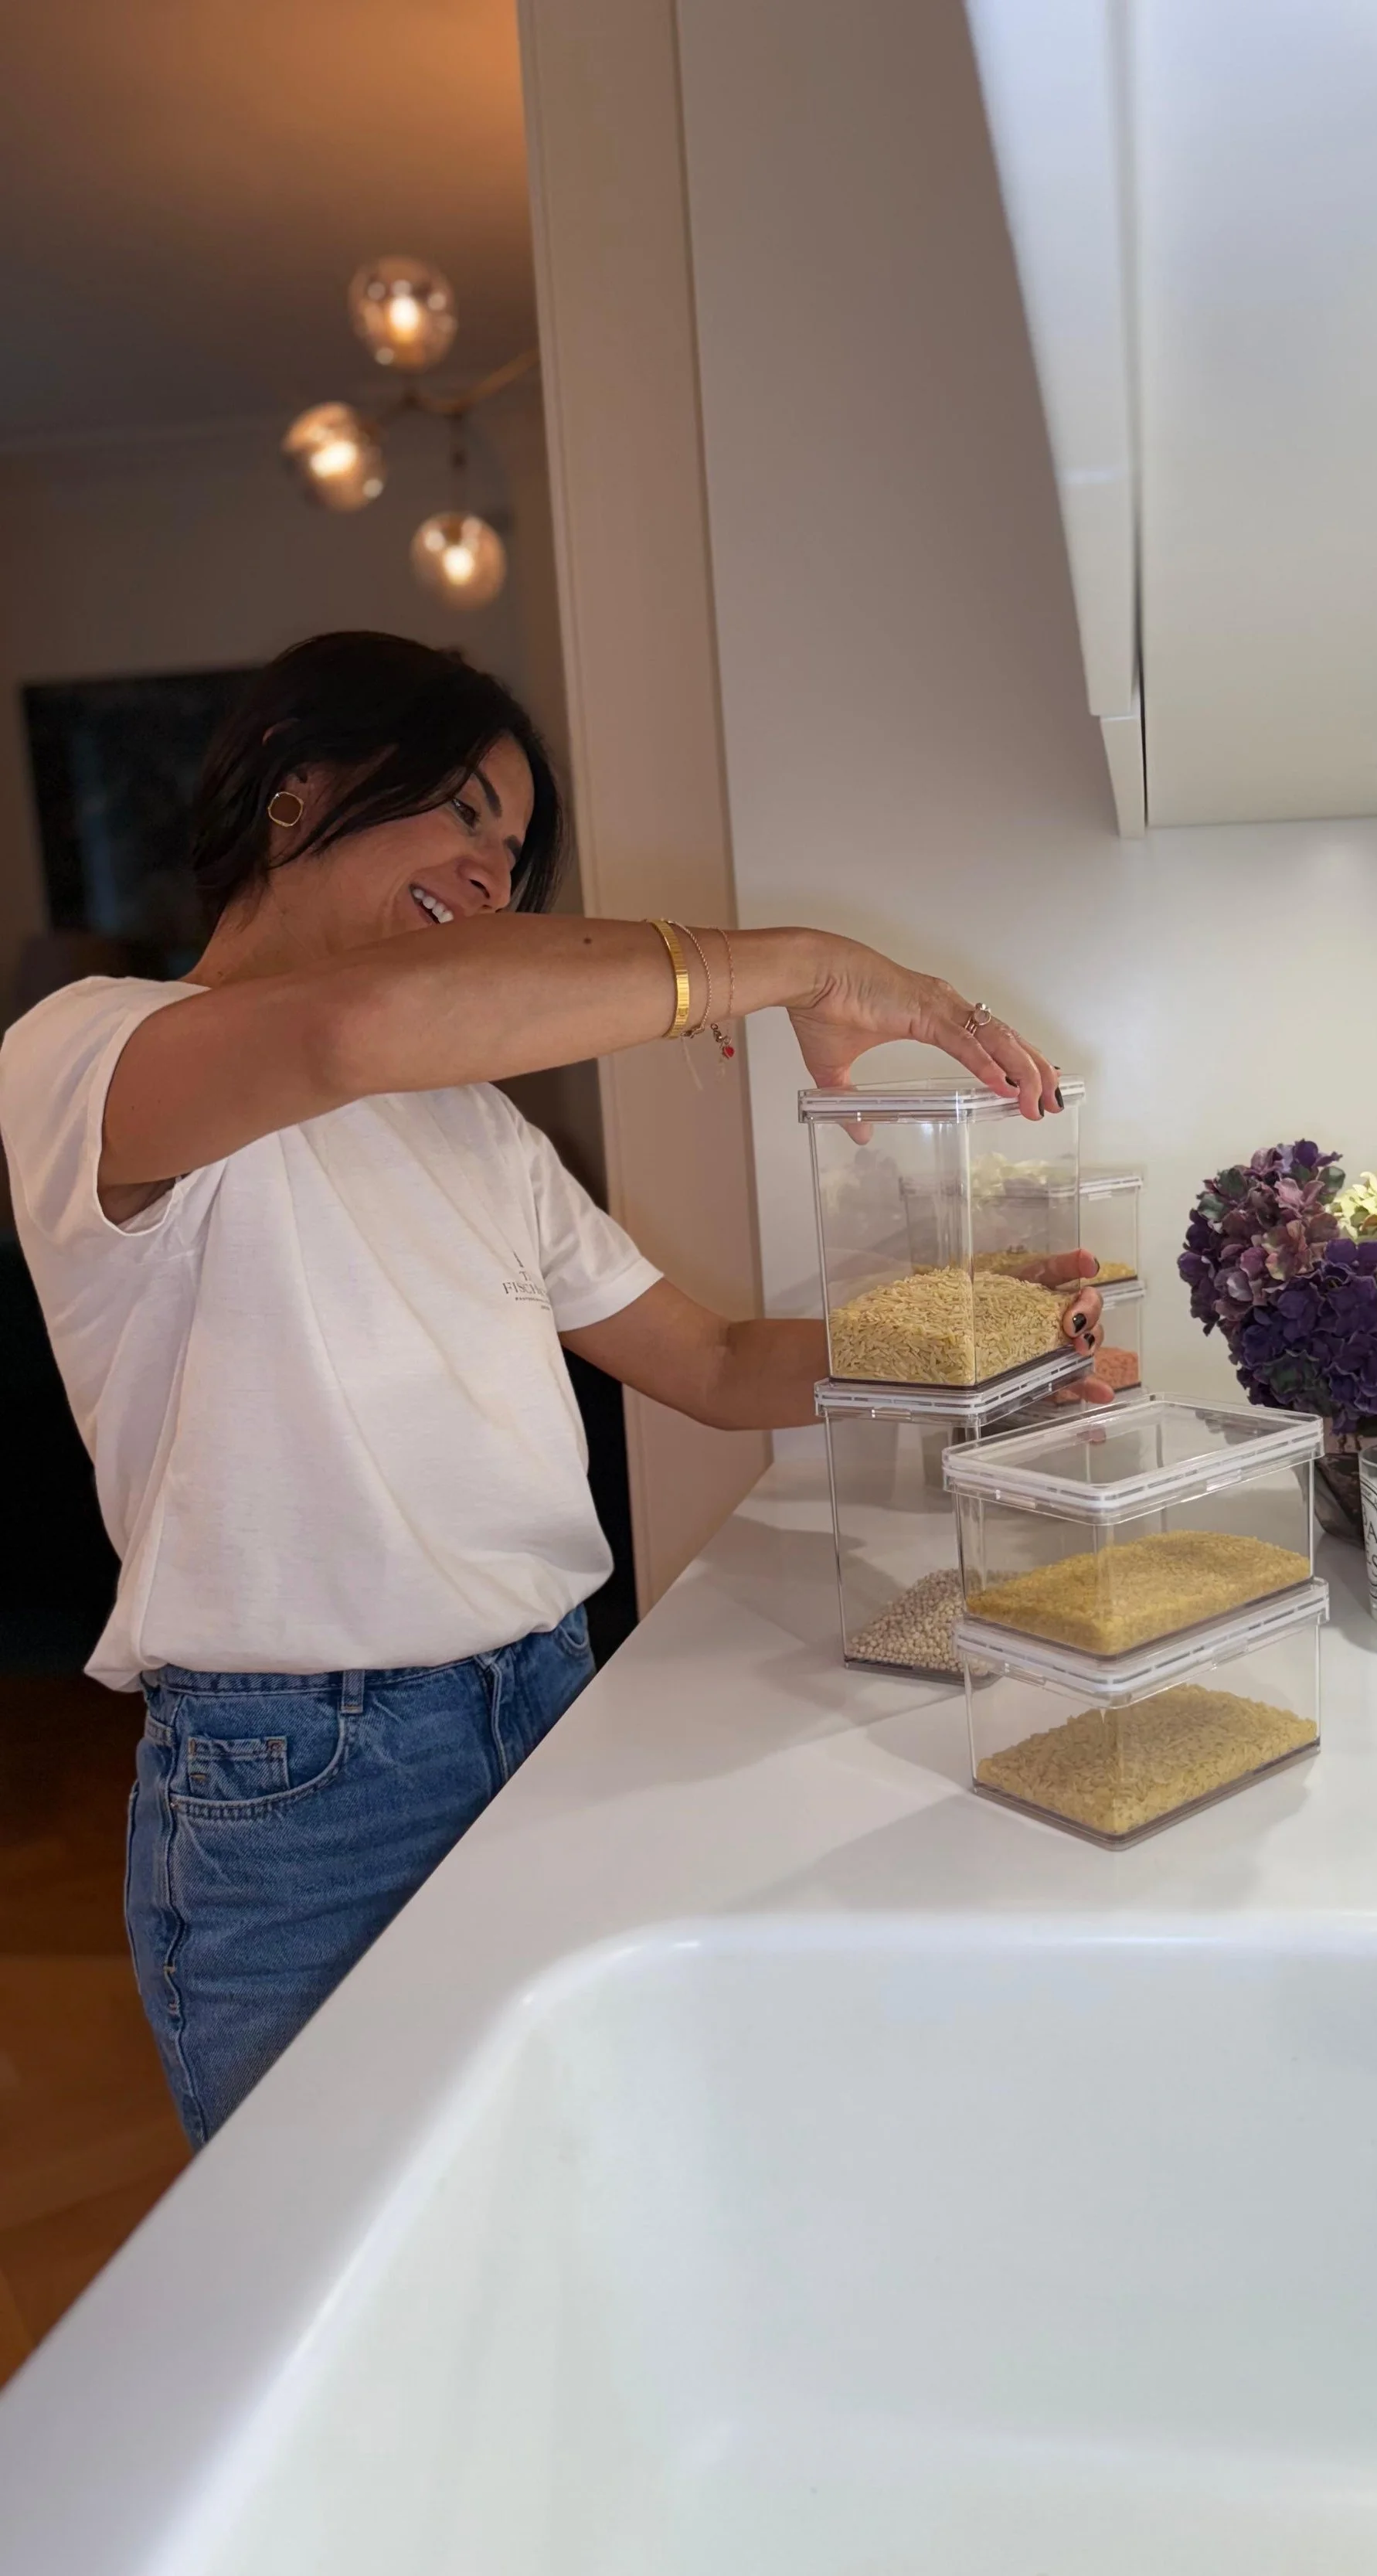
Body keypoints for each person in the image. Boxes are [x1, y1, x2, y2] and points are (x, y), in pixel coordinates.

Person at [0, 630, 1103, 2146]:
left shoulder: (474, 1133)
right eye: (460, 811)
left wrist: (972, 1331)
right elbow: (353, 1025)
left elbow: (709, 1364)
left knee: (565, 2189)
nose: (492, 868)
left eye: (513, 849)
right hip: (307, 1788)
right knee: (345, 2261)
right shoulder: (87, 1047)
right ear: (294, 789)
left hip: (548, 1708)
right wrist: (803, 961)